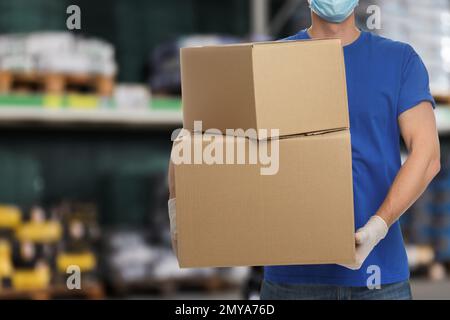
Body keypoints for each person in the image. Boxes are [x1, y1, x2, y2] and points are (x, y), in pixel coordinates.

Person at [168, 0, 441, 300]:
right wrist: (183, 210)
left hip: (381, 279)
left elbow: (427, 156)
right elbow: (211, 142)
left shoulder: (398, 60)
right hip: (291, 281)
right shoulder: (269, 61)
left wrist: (377, 227)